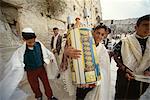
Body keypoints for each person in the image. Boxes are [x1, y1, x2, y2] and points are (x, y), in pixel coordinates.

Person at [0, 27, 58, 100]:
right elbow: (15, 62)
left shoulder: (39, 45)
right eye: (29, 42)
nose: (32, 44)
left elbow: (46, 52)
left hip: (41, 69)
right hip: (30, 71)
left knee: (46, 83)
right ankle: (38, 96)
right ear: (24, 40)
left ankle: (50, 96)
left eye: (33, 41)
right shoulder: (21, 51)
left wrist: (51, 57)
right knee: (34, 86)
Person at [60, 25, 111, 100]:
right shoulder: (82, 44)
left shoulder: (103, 50)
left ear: (104, 36)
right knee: (79, 97)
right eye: (98, 33)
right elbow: (72, 59)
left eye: (102, 34)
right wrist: (66, 53)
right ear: (93, 32)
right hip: (80, 82)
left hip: (94, 84)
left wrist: (92, 78)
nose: (99, 36)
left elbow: (104, 69)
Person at [113, 14, 150, 100]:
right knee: (121, 96)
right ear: (136, 27)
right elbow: (115, 54)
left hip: (143, 78)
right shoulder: (125, 41)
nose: (148, 28)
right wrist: (124, 69)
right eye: (145, 25)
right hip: (125, 76)